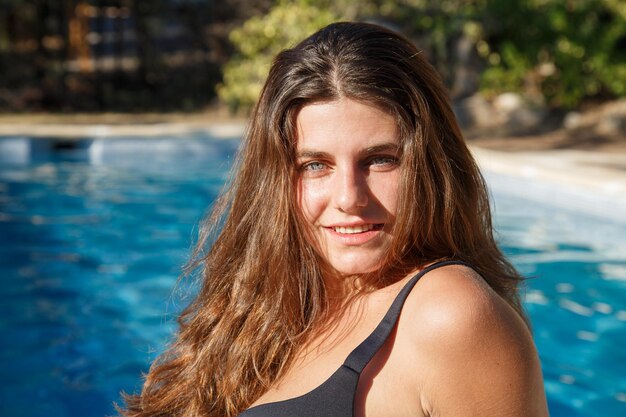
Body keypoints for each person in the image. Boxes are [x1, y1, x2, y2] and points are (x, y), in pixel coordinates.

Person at [120, 21, 549, 417]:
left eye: (380, 160)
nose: (348, 198)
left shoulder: (450, 316)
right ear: (276, 181)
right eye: (315, 165)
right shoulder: (270, 309)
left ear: (432, 167)